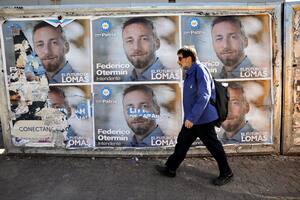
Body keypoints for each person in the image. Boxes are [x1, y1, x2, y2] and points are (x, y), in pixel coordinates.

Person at [156, 47, 233, 186]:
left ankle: (227, 173)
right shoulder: (190, 72)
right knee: (182, 143)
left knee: (214, 147)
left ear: (188, 58)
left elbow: (204, 96)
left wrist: (192, 118)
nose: (178, 62)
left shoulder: (200, 70)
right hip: (193, 119)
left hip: (202, 119)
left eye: (180, 58)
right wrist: (190, 118)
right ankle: (170, 168)